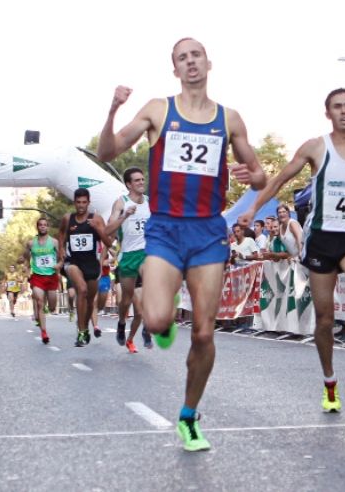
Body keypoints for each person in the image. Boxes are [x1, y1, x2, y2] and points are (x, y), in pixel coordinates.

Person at [97, 37, 266, 452]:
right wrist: (113, 110)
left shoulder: (230, 119)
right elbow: (108, 150)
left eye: (196, 56)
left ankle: (189, 416)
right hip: (166, 229)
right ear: (175, 69)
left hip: (208, 231)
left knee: (205, 334)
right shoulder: (158, 109)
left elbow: (261, 176)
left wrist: (252, 175)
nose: (190, 63)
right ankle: (163, 321)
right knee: (155, 321)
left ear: (209, 63)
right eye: (182, 58)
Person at [239, 87, 345, 414]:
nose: (343, 112)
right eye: (336, 107)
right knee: (324, 318)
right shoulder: (315, 148)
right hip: (323, 236)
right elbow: (281, 178)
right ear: (328, 114)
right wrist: (253, 209)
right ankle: (330, 382)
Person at [58, 187, 114, 347]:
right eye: (78, 202)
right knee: (81, 290)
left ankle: (86, 328)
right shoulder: (68, 219)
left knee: (90, 301)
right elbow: (61, 233)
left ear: (89, 203)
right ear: (74, 203)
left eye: (84, 202)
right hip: (73, 262)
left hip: (91, 264)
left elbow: (108, 242)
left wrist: (97, 229)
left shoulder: (96, 219)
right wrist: (61, 248)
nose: (81, 205)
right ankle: (81, 330)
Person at [106, 166, 153, 353]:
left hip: (147, 253)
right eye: (137, 180)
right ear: (128, 184)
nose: (141, 182)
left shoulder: (151, 202)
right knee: (125, 300)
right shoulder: (121, 203)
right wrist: (125, 215)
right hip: (128, 257)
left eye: (142, 179)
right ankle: (121, 322)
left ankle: (146, 329)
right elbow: (109, 230)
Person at [22, 217, 62, 344]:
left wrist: (59, 265)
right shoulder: (31, 244)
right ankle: (44, 332)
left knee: (51, 307)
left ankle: (47, 311)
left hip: (51, 277)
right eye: (40, 225)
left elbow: (62, 258)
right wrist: (26, 269)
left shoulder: (55, 242)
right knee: (39, 302)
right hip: (37, 277)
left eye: (45, 225)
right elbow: (25, 259)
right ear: (37, 227)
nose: (43, 227)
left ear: (48, 227)